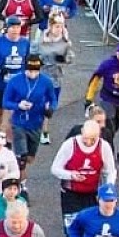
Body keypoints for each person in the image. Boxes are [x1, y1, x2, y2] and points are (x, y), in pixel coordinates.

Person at [49, 120, 118, 237]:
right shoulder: (70, 145)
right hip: (71, 193)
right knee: (72, 229)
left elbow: (110, 171)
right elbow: (55, 168)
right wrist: (71, 175)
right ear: (81, 132)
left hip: (92, 193)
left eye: (93, 139)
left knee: (91, 227)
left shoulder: (103, 146)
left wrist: (108, 189)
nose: (89, 142)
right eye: (86, 138)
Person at [2, 54, 57, 180]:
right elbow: (5, 102)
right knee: (21, 156)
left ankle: (17, 168)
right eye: (30, 70)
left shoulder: (46, 82)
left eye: (36, 71)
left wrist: (51, 109)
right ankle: (19, 181)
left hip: (36, 122)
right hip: (19, 122)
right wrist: (18, 105)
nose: (32, 73)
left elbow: (53, 99)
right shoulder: (15, 81)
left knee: (30, 158)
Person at [32, 13, 74, 144]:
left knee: (51, 107)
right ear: (50, 26)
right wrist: (40, 62)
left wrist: (65, 57)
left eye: (61, 26)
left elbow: (70, 59)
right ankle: (43, 131)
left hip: (56, 80)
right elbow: (31, 57)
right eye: (57, 26)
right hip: (40, 79)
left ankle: (41, 128)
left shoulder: (65, 42)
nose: (59, 29)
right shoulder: (40, 41)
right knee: (42, 105)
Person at [0, 17, 29, 129]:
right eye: (12, 27)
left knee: (16, 111)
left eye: (18, 27)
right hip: (0, 83)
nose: (15, 30)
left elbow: (28, 60)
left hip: (18, 84)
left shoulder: (25, 43)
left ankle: (12, 135)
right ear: (7, 28)